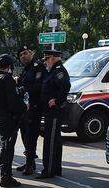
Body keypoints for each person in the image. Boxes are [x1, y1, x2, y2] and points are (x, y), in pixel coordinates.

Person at [0, 54, 27, 187]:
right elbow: (13, 102)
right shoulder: (7, 78)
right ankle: (5, 177)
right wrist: (24, 107)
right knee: (6, 147)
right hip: (5, 118)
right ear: (9, 66)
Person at [36, 49, 70, 179]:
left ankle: (48, 170)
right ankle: (56, 168)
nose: (45, 61)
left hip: (54, 112)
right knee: (55, 140)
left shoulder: (59, 70)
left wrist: (56, 101)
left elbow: (66, 86)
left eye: (47, 59)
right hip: (50, 111)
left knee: (50, 141)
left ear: (54, 58)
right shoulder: (53, 70)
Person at [16, 45, 46, 175]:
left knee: (31, 136)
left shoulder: (38, 67)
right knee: (24, 135)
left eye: (25, 53)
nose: (23, 56)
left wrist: (23, 88)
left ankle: (30, 164)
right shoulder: (25, 70)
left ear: (31, 54)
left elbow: (37, 86)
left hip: (34, 107)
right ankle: (30, 162)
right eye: (21, 55)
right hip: (24, 108)